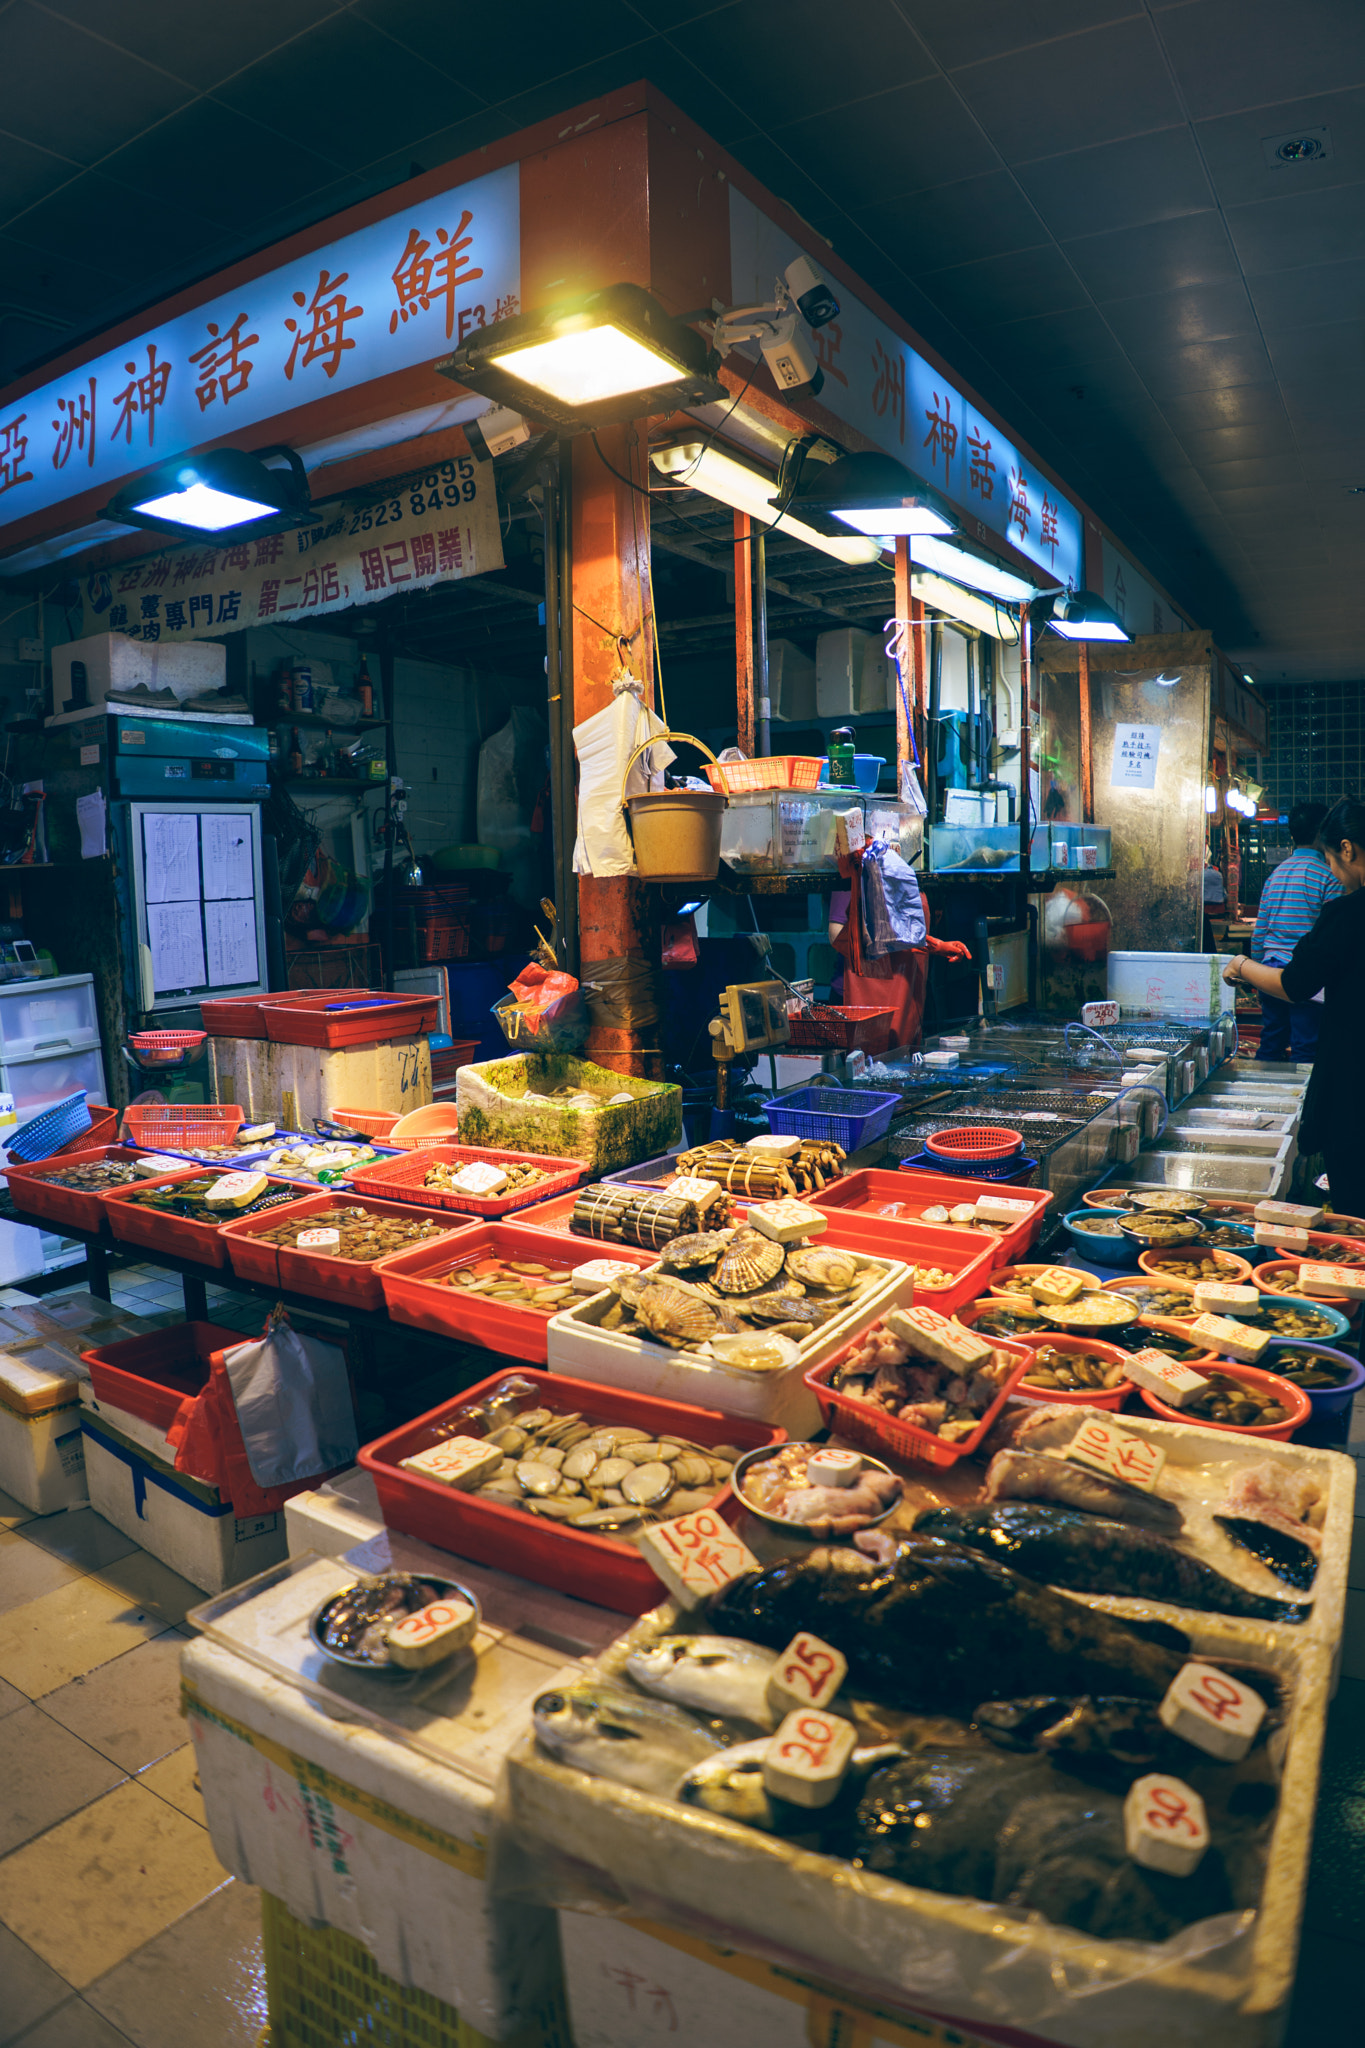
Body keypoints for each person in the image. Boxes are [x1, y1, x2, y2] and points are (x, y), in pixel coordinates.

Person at [1222, 797, 1365, 1219]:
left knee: (1280, 1051)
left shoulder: (1341, 906)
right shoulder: (1329, 886)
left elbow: (1294, 981)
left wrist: (1246, 966)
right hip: (1306, 988)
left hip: (1351, 1072)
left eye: (1334, 863)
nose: (1335, 876)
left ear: (1347, 849)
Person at [1249, 801, 1342, 1060]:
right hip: (1305, 977)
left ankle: (1263, 1097)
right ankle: (1302, 1100)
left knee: (1271, 1042)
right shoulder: (1328, 876)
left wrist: (1258, 975)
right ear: (1323, 834)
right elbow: (1330, 937)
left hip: (1270, 972)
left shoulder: (1275, 876)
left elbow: (1259, 934)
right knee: (1306, 1046)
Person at [1201, 853, 1226, 954]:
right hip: (1219, 911)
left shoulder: (1198, 875)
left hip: (1206, 909)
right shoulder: (1218, 874)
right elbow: (1224, 895)